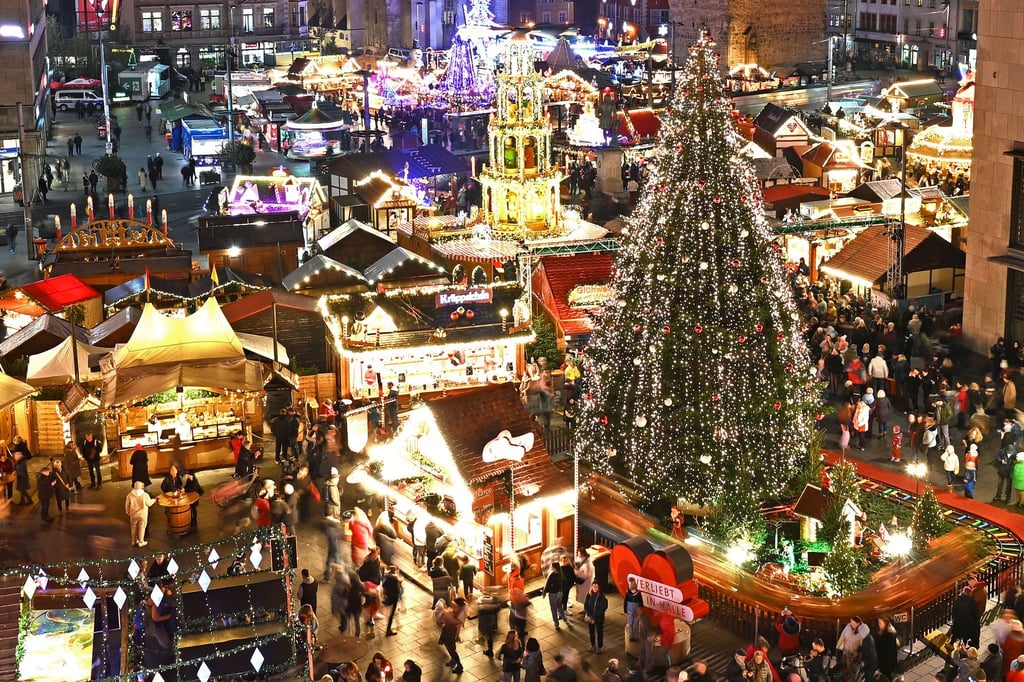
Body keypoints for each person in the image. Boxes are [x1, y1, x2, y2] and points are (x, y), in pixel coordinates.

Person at [438, 597, 466, 674]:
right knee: (449, 647)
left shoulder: (461, 613)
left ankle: (459, 665)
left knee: (451, 649)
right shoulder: (458, 610)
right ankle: (453, 660)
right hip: (448, 630)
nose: (453, 606)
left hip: (451, 632)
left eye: (454, 605)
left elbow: (458, 625)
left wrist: (457, 636)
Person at [125, 481, 156, 547]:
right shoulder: (145, 495)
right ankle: (141, 541)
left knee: (133, 527)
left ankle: (133, 541)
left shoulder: (129, 495)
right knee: (142, 527)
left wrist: (127, 511)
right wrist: (154, 500)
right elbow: (149, 503)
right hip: (143, 514)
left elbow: (127, 505)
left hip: (133, 514)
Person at [584, 580, 608, 653]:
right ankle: (593, 645)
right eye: (593, 586)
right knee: (591, 632)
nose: (595, 588)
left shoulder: (601, 596)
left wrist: (594, 616)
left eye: (596, 587)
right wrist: (589, 614)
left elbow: (602, 609)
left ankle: (600, 647)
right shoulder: (588, 594)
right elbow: (585, 605)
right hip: (591, 618)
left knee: (599, 632)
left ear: (599, 588)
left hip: (599, 618)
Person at [542, 562, 566, 629]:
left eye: (552, 567)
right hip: (560, 593)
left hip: (553, 594)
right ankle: (564, 617)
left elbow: (547, 584)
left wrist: (545, 592)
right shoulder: (561, 573)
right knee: (559, 606)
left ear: (554, 568)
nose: (551, 568)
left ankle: (556, 623)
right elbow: (564, 582)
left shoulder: (552, 574)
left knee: (553, 608)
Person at [381, 564, 402, 636]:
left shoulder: (387, 577)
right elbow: (398, 590)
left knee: (391, 613)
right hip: (394, 597)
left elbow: (383, 585)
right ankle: (388, 629)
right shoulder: (395, 579)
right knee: (392, 613)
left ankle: (389, 628)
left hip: (388, 596)